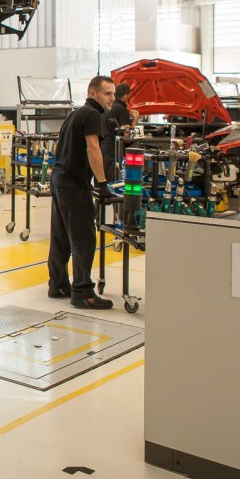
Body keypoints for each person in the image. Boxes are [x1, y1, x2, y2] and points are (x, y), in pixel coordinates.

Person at [48, 75, 117, 310]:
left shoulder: (76, 113)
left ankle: (57, 284)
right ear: (92, 93)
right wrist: (102, 182)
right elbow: (93, 147)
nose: (112, 99)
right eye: (107, 94)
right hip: (73, 183)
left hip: (58, 177)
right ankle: (82, 292)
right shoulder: (93, 115)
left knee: (61, 234)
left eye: (114, 94)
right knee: (83, 237)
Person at [100, 82, 138, 180]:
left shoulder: (108, 108)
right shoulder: (122, 110)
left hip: (103, 149)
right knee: (113, 182)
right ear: (125, 96)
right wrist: (135, 120)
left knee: (103, 181)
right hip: (113, 151)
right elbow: (127, 136)